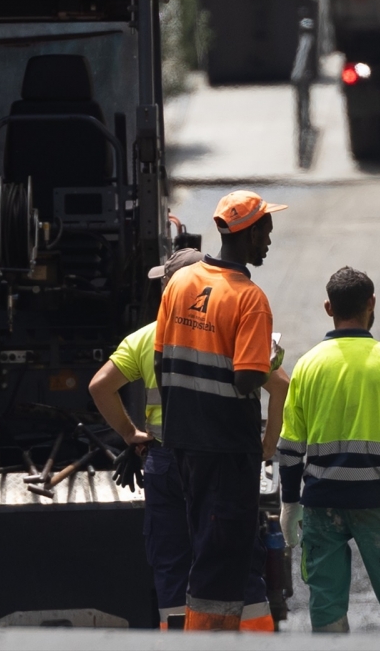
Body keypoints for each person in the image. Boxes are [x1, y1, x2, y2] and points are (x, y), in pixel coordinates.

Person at [88, 247, 289, 631]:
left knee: (175, 566)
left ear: (174, 286)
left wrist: (131, 435)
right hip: (221, 459)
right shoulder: (231, 326)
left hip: (167, 461)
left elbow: (100, 386)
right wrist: (267, 443)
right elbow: (280, 386)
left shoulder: (145, 339)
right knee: (235, 559)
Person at [154, 190, 286, 631]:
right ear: (248, 235)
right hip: (229, 451)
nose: (269, 239)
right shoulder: (250, 298)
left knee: (205, 555)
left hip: (187, 446)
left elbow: (161, 361)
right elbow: (248, 378)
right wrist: (272, 357)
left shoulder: (179, 284)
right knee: (222, 569)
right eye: (265, 230)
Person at [277, 267, 380, 635]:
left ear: (329, 308)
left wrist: (290, 501)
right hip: (376, 500)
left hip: (321, 501)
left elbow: (290, 444)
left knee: (326, 608)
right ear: (371, 304)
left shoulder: (308, 365)